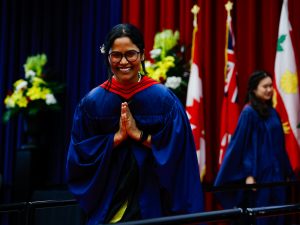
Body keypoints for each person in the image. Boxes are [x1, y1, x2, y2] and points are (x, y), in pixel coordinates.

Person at [66, 23, 204, 225]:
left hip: (153, 202)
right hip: (107, 202)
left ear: (142, 55)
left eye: (131, 54)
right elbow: (78, 159)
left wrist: (139, 135)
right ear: (108, 57)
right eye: (116, 55)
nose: (124, 62)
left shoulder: (163, 100)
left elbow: (180, 155)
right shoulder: (93, 104)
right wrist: (115, 139)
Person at [214, 71, 295, 225]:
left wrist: (287, 172)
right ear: (254, 90)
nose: (269, 90)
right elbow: (240, 147)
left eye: (271, 86)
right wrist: (248, 174)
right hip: (259, 179)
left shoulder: (273, 113)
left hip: (277, 178)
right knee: (261, 218)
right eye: (265, 86)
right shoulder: (248, 113)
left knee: (280, 217)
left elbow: (280, 147)